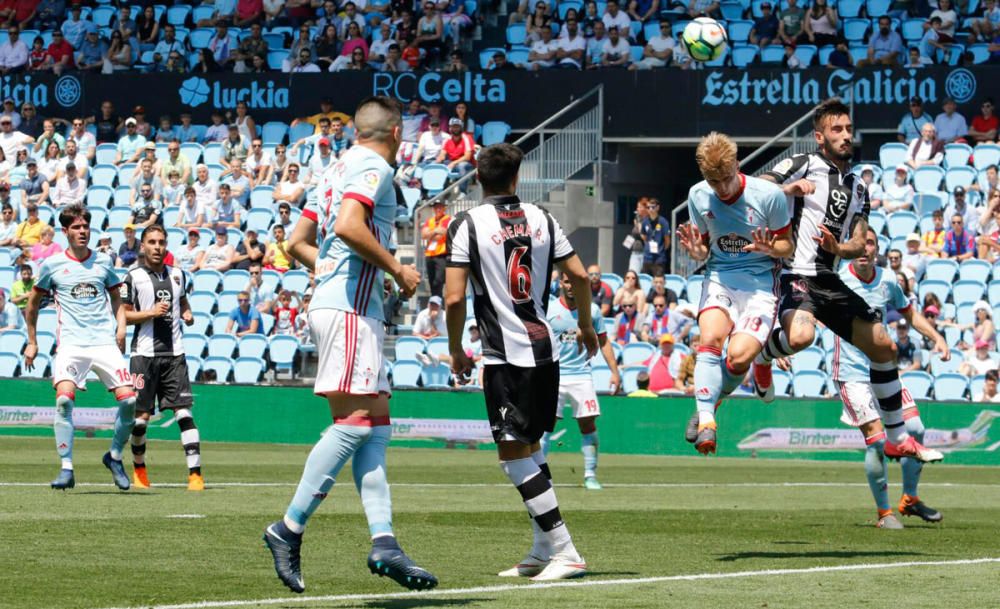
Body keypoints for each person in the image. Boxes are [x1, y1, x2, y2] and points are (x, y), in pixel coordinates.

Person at [263, 96, 435, 595]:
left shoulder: (335, 168)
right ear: (397, 132)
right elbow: (348, 227)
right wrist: (397, 268)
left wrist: (337, 271)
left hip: (343, 304)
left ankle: (385, 543)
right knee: (356, 424)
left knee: (375, 426)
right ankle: (288, 527)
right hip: (350, 311)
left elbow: (296, 242)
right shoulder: (373, 166)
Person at [753, 98, 942, 464]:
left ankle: (897, 438)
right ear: (819, 137)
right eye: (836, 130)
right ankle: (762, 356)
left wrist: (838, 245)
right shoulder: (804, 163)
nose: (844, 136)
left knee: (884, 347)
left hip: (830, 278)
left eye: (848, 129)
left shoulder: (858, 187)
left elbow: (859, 243)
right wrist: (790, 190)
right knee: (802, 337)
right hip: (796, 273)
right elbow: (759, 186)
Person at [446, 142, 594, 581]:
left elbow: (454, 296)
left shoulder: (466, 224)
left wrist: (456, 349)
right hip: (544, 348)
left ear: (478, 177)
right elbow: (581, 276)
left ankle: (566, 550)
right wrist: (586, 325)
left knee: (512, 456)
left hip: (505, 353)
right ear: (517, 178)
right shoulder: (544, 218)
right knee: (529, 447)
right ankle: (542, 548)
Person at [675, 132, 792, 453]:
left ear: (737, 165)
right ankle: (707, 421)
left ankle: (728, 387)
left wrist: (773, 247)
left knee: (739, 358)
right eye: (714, 182)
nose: (721, 188)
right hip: (720, 276)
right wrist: (697, 255)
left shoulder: (769, 196)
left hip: (760, 284)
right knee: (709, 341)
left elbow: (787, 245)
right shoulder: (698, 196)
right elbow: (702, 249)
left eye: (726, 179)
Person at [831, 227, 947, 529]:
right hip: (852, 375)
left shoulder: (887, 280)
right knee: (877, 442)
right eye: (861, 243)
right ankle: (884, 514)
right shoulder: (837, 279)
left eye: (871, 243)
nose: (865, 249)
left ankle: (909, 499)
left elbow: (909, 314)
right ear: (851, 247)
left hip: (884, 371)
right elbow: (810, 310)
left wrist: (936, 337)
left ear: (876, 248)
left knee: (916, 428)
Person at [23, 205, 137, 491]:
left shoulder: (103, 262)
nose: (82, 231)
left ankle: (113, 456)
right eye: (76, 227)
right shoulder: (51, 266)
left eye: (85, 226)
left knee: (130, 402)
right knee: (64, 401)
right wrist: (33, 341)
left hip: (104, 343)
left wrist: (121, 326)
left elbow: (116, 299)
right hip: (71, 345)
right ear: (65, 232)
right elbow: (33, 304)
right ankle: (66, 468)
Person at [121, 225, 203, 492]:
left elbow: (184, 303)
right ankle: (140, 470)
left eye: (161, 242)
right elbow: (124, 315)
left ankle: (195, 475)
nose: (157, 247)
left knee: (184, 413)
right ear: (142, 247)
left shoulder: (178, 275)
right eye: (152, 242)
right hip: (143, 356)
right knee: (141, 418)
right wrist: (152, 313)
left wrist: (187, 314)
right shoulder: (132, 277)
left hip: (175, 355)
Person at [542, 271, 621, 489]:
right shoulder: (549, 309)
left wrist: (614, 371)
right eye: (567, 282)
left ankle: (590, 475)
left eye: (574, 282)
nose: (570, 286)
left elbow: (604, 342)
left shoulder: (592, 311)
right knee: (545, 426)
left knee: (587, 424)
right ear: (561, 284)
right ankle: (540, 476)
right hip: (554, 375)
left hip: (582, 375)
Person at [421, 201, 450, 297]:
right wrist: (436, 231)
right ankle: (434, 302)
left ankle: (438, 302)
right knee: (431, 281)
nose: (438, 209)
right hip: (429, 254)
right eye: (436, 207)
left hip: (441, 254)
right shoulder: (430, 220)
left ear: (444, 208)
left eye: (440, 207)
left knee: (439, 281)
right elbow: (423, 235)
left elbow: (441, 235)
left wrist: (430, 233)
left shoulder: (447, 219)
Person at [640, 198, 669, 276]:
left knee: (658, 281)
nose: (650, 209)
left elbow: (667, 241)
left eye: (653, 207)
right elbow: (643, 236)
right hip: (647, 258)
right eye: (648, 207)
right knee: (645, 281)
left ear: (658, 208)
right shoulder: (645, 221)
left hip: (659, 258)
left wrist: (661, 249)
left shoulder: (663, 222)